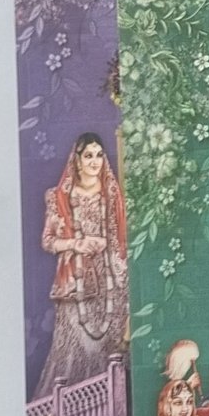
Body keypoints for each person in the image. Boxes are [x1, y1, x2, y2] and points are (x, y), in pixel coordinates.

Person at [35, 132, 128, 400]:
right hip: (75, 285)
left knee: (108, 351)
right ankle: (66, 413)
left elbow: (120, 240)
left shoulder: (111, 194)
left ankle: (106, 409)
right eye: (88, 156)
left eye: (99, 155)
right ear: (77, 160)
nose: (95, 161)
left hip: (110, 283)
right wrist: (78, 243)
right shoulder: (60, 197)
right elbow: (48, 241)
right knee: (75, 351)